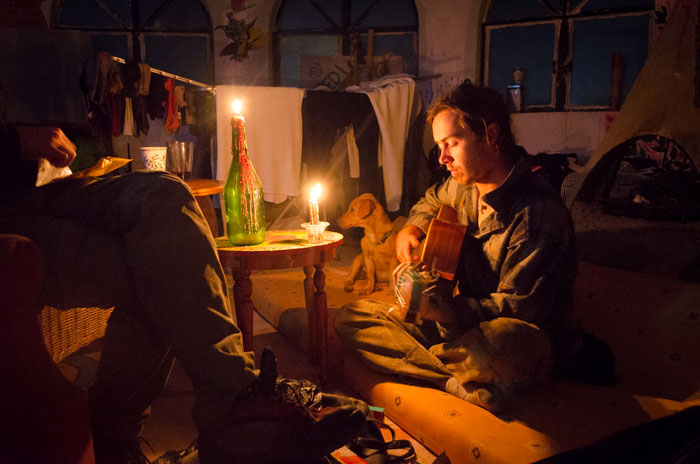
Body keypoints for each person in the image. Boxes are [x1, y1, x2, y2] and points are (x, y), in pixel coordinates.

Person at [0, 117, 367, 462]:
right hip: (10, 208)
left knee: (163, 192)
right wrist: (17, 140)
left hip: (28, 185)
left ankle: (225, 398)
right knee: (162, 265)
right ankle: (212, 405)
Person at [335, 82, 579, 413]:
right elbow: (431, 199)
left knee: (502, 341)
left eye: (452, 143)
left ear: (490, 135)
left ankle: (427, 361)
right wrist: (411, 228)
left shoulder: (537, 212)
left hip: (518, 338)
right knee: (353, 317)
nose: (443, 158)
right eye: (439, 146)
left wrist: (444, 311)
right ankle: (451, 380)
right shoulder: (464, 185)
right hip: (460, 324)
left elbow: (518, 309)